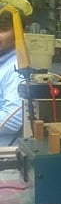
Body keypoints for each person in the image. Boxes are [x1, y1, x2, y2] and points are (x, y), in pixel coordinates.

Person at [0, 11, 24, 146]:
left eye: (2, 30)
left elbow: (15, 119)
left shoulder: (17, 67)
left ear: (18, 33)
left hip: (5, 152)